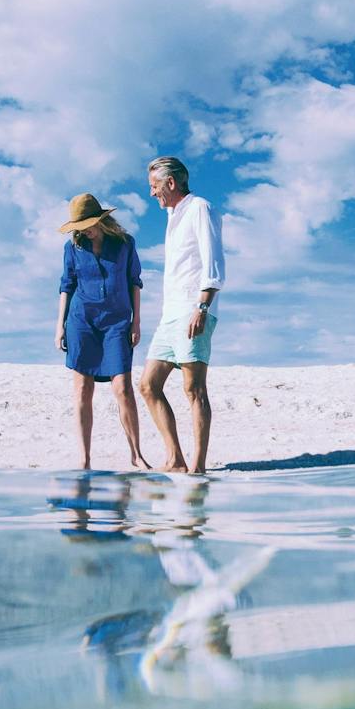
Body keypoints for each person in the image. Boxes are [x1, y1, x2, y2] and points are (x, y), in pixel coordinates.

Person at [138, 155, 225, 473]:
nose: (152, 193)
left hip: (193, 309)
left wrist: (202, 306)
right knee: (148, 385)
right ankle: (175, 459)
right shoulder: (173, 216)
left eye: (154, 186)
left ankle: (198, 467)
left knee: (194, 388)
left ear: (171, 183)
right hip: (170, 315)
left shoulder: (200, 208)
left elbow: (213, 260)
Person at [56, 193, 152, 470]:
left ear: (100, 219)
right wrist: (59, 325)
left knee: (123, 388)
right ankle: (84, 459)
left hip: (117, 322)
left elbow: (134, 282)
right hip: (81, 322)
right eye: (78, 226)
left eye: (86, 224)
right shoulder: (73, 247)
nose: (82, 230)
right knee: (82, 389)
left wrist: (136, 321)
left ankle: (136, 454)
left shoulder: (124, 243)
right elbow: (67, 286)